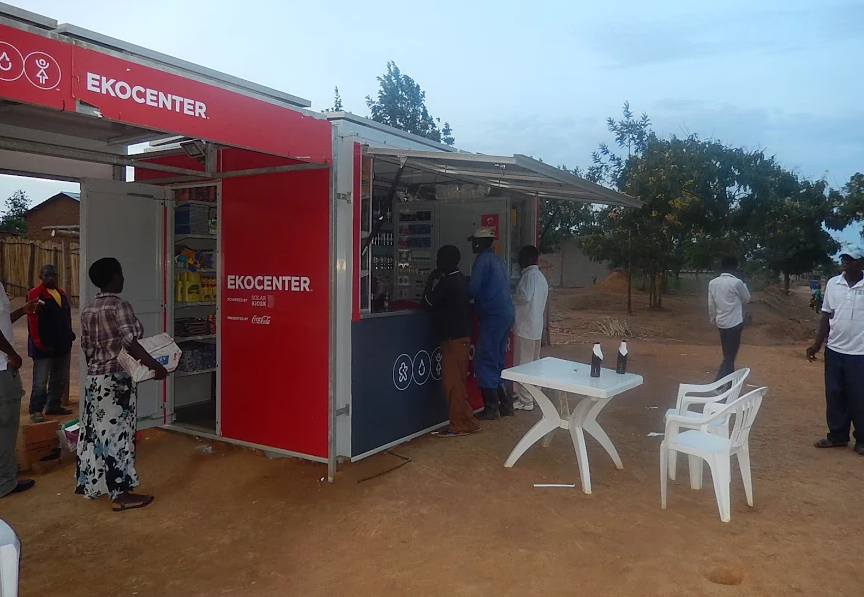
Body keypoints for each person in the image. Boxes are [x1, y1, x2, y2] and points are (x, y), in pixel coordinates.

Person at [76, 257, 167, 511]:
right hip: (117, 380)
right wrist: (156, 366)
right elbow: (131, 343)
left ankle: (97, 484)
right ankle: (121, 494)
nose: (123, 278)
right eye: (121, 274)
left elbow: (86, 347)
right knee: (119, 435)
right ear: (114, 277)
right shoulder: (119, 306)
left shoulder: (88, 309)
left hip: (96, 379)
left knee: (98, 434)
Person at [806, 249, 864, 455]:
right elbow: (826, 317)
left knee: (859, 397)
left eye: (851, 259)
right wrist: (817, 344)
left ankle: (862, 440)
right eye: (843, 258)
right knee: (835, 394)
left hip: (860, 353)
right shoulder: (833, 284)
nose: (845, 262)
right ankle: (838, 436)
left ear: (861, 262)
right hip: (835, 350)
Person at [422, 245, 480, 437]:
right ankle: (469, 421)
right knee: (458, 384)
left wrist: (431, 279)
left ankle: (458, 425)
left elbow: (427, 303)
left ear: (447, 260)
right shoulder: (461, 278)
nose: (437, 262)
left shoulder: (447, 281)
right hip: (461, 337)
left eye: (439, 258)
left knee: (452, 385)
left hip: (453, 339)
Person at [466, 227, 515, 420]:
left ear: (479, 242)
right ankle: (506, 405)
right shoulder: (497, 260)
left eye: (473, 242)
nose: (472, 245)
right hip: (505, 313)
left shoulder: (482, 260)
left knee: (484, 358)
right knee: (496, 359)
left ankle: (491, 407)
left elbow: (473, 289)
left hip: (493, 315)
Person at [0, 283, 41, 498]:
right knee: (5, 427)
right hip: (2, 367)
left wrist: (22, 311)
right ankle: (5, 482)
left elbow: (2, 320)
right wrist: (12, 354)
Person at [27, 264, 75, 423]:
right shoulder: (35, 294)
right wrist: (39, 343)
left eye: (53, 275)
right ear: (40, 277)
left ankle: (53, 405)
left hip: (62, 344)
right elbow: (33, 322)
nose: (51, 278)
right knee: (40, 380)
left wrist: (69, 335)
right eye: (47, 276)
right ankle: (35, 410)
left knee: (59, 378)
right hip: (43, 346)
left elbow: (65, 317)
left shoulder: (60, 294)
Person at [511, 245, 549, 411]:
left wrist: (512, 297)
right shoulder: (540, 277)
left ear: (527, 259)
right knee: (533, 364)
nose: (518, 262)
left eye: (520, 258)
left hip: (525, 327)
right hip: (535, 327)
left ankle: (525, 401)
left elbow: (524, 296)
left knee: (523, 364)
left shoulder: (528, 277)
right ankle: (533, 396)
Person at [708, 256, 751, 381]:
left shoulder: (713, 283)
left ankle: (722, 382)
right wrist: (743, 283)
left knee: (728, 354)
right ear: (735, 267)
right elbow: (747, 299)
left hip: (721, 322)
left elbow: (711, 303)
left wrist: (713, 318)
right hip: (735, 323)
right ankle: (724, 383)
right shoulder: (737, 283)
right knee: (730, 355)